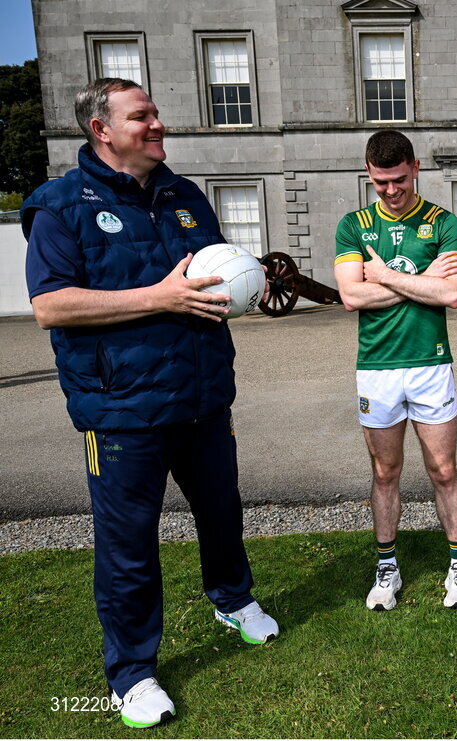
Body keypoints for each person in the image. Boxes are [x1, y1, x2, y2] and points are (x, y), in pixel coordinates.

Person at [22, 78, 278, 729]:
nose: (157, 123)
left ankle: (232, 599)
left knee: (222, 512)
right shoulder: (60, 206)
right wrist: (156, 299)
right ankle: (131, 672)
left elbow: (214, 274)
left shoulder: (185, 196)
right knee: (128, 545)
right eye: (142, 116)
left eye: (156, 111)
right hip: (119, 413)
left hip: (202, 399)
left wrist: (244, 286)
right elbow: (51, 305)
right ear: (101, 129)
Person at [334, 130, 457, 611]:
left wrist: (388, 277)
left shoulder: (443, 222)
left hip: (431, 363)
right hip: (377, 368)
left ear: (415, 168)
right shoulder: (353, 226)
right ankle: (387, 567)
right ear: (369, 177)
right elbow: (351, 296)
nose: (391, 191)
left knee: (443, 470)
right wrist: (422, 279)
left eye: (397, 180)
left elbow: (451, 295)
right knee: (385, 471)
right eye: (379, 183)